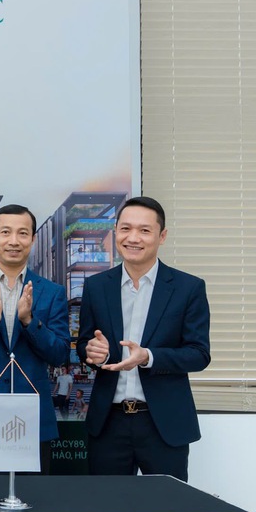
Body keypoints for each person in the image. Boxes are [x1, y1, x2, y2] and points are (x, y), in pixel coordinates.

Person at [76, 196, 211, 481]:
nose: (133, 238)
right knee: (106, 505)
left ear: (162, 236)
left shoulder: (188, 288)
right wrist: (95, 353)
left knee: (166, 505)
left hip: (163, 423)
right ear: (116, 232)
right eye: (125, 229)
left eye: (144, 230)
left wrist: (148, 357)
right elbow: (85, 345)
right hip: (108, 423)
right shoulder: (96, 286)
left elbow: (199, 354)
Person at [0, 205, 69, 474]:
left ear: (33, 240)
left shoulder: (52, 292)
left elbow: (60, 354)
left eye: (23, 233)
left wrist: (29, 322)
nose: (14, 241)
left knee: (31, 497)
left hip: (32, 420)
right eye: (5, 232)